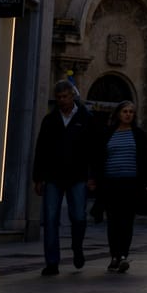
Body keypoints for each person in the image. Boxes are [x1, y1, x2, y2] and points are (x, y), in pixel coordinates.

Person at [32, 78, 93, 277]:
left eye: (65, 96)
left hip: (78, 175)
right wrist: (38, 178)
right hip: (53, 176)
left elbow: (95, 149)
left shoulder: (85, 118)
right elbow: (41, 149)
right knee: (50, 219)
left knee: (79, 216)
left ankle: (77, 247)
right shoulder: (50, 120)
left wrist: (93, 176)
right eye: (58, 97)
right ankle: (52, 262)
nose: (61, 100)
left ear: (72, 96)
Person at [92, 99, 147, 274]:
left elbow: (146, 160)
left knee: (126, 221)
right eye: (125, 111)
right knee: (113, 221)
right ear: (118, 114)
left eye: (131, 112)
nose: (128, 114)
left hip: (131, 184)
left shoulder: (139, 135)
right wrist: (95, 179)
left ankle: (123, 256)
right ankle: (114, 255)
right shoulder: (108, 134)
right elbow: (99, 158)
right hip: (111, 184)